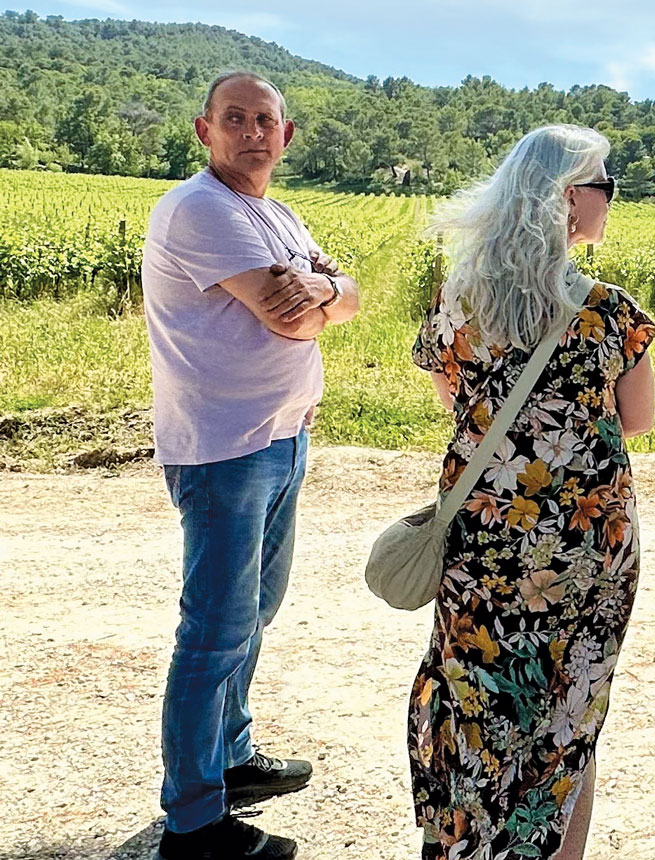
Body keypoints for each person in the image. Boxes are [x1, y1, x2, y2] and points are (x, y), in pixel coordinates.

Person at [407, 124, 655, 860]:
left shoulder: (458, 299)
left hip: (482, 544)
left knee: (474, 701)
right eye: (604, 183)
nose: (611, 197)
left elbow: (453, 398)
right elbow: (636, 420)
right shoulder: (612, 312)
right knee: (567, 718)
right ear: (569, 199)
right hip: (586, 551)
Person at [142, 71, 360, 860]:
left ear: (286, 134)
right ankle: (193, 823)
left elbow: (347, 295)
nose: (253, 131)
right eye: (235, 118)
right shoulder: (200, 208)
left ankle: (229, 757)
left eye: (265, 119)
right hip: (225, 447)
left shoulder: (277, 212)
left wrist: (328, 288)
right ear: (205, 131)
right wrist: (321, 299)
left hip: (280, 436)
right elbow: (292, 318)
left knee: (252, 616)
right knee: (214, 632)